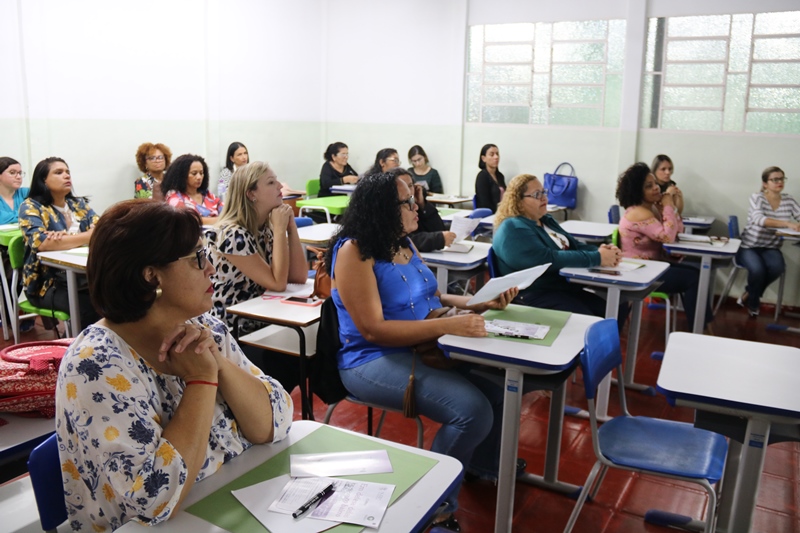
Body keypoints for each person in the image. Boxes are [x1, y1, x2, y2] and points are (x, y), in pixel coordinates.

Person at [55, 199, 292, 532]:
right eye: (197, 258)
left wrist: (219, 365)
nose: (212, 268)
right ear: (152, 276)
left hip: (228, 509)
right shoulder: (95, 367)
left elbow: (276, 422)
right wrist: (201, 379)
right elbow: (155, 503)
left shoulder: (205, 328)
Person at [325, 171, 517, 531]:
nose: (419, 206)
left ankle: (479, 466)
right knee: (473, 411)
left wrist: (480, 303)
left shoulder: (403, 243)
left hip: (419, 344)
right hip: (370, 358)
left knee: (496, 388)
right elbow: (373, 329)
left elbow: (433, 297)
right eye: (408, 201)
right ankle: (432, 505)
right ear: (384, 208)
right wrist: (448, 325)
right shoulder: (354, 251)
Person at [208, 161, 307, 388]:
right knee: (287, 361)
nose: (280, 187)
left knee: (304, 353)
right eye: (271, 183)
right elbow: (278, 282)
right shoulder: (232, 234)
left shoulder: (264, 227)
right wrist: (280, 230)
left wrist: (290, 227)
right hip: (232, 330)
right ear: (251, 193)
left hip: (259, 319)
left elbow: (298, 277)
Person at [493, 173, 623, 318]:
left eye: (544, 192)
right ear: (518, 200)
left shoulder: (545, 219)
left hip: (561, 287)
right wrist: (597, 258)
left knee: (617, 310)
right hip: (534, 293)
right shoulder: (513, 228)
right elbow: (548, 258)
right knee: (589, 322)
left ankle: (609, 341)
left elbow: (574, 245)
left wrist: (603, 252)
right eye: (537, 194)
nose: (544, 198)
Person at [616, 162, 712, 331]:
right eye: (649, 186)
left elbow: (676, 231)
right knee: (693, 279)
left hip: (653, 265)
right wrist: (668, 206)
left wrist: (670, 208)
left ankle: (703, 326)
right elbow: (668, 237)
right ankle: (699, 330)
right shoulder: (638, 212)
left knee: (696, 273)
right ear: (638, 191)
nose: (656, 188)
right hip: (639, 271)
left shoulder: (650, 208)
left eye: (655, 184)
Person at [18, 157, 100, 328]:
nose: (66, 176)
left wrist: (63, 239)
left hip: (85, 280)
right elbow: (42, 243)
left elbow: (103, 231)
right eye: (58, 172)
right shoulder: (31, 207)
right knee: (90, 308)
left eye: (67, 172)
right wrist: (87, 236)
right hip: (47, 285)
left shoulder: (78, 204)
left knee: (117, 299)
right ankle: (77, 351)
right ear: (43, 180)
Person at [737, 166, 800, 317]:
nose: (779, 182)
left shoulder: (789, 200)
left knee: (778, 268)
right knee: (758, 270)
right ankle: (753, 304)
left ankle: (749, 293)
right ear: (765, 183)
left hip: (771, 247)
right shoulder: (757, 197)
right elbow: (759, 220)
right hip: (749, 246)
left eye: (782, 179)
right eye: (775, 179)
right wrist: (786, 224)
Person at [393, 167, 455, 251]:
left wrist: (423, 205)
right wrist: (438, 239)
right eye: (403, 185)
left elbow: (439, 229)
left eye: (410, 185)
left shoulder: (415, 205)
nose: (408, 190)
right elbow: (406, 240)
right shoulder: (393, 209)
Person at [163, 154, 223, 225]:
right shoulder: (174, 196)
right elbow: (188, 219)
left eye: (201, 173)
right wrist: (220, 220)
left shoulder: (208, 195)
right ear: (182, 175)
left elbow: (227, 212)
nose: (199, 177)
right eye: (194, 173)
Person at [475, 144, 505, 213]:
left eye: (497, 154)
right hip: (489, 214)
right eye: (492, 155)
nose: (496, 157)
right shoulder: (482, 177)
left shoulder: (500, 176)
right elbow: (484, 203)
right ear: (483, 158)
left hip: (501, 213)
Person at [0, 157, 30, 224]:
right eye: (12, 173)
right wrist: (27, 214)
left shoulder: (27, 193)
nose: (19, 177)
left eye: (20, 173)